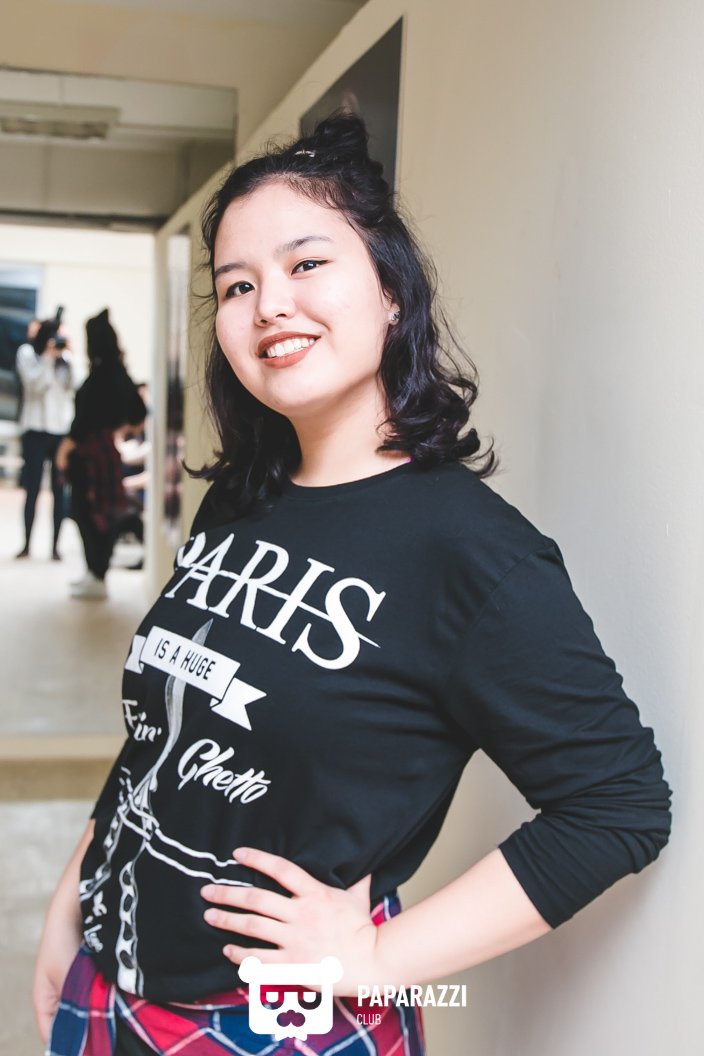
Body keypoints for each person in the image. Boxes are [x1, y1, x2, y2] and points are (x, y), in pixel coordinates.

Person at [35, 113, 671, 1056]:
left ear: (391, 293)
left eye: (306, 264)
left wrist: (376, 957)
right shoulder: (240, 500)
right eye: (237, 286)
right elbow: (162, 735)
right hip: (112, 976)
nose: (269, 306)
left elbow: (619, 802)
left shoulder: (471, 553)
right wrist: (70, 904)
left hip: (272, 1023)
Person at [55, 309, 146, 600]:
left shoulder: (99, 377)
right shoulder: (119, 374)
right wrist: (116, 432)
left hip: (88, 458)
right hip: (106, 455)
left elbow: (81, 425)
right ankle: (95, 573)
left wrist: (63, 452)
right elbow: (138, 415)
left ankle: (97, 574)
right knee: (100, 514)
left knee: (88, 514)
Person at [15, 316, 74, 560]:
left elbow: (72, 386)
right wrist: (48, 358)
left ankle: (55, 547)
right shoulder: (28, 354)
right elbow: (35, 386)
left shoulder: (66, 360)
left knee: (59, 491)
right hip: (35, 429)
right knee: (32, 489)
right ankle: (27, 544)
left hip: (59, 431)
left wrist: (68, 354)